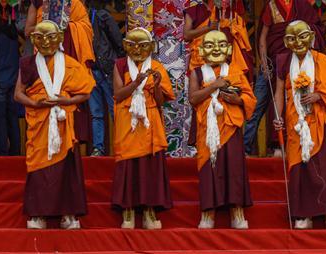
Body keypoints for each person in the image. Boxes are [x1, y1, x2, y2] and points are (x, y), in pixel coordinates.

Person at [15, 20, 94, 230]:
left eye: (51, 37)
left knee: (66, 170)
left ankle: (68, 214)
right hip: (40, 124)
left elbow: (85, 93)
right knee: (39, 169)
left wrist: (66, 102)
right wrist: (35, 103)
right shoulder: (28, 63)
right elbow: (18, 94)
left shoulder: (69, 63)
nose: (46, 42)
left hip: (62, 125)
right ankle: (38, 214)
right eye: (40, 38)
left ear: (59, 38)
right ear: (34, 40)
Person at [272, 20, 326, 230]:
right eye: (292, 38)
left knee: (323, 167)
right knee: (300, 168)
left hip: (318, 120)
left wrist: (318, 96)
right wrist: (277, 116)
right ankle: (303, 215)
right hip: (295, 121)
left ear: (311, 36)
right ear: (286, 42)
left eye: (302, 36)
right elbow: (279, 91)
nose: (298, 42)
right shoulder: (283, 60)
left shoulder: (321, 59)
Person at [189, 29, 255, 230]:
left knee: (234, 168)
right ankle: (208, 213)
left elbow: (250, 98)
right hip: (208, 129)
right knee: (209, 170)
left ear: (228, 49)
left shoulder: (235, 72)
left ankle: (237, 211)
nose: (216, 49)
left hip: (231, 127)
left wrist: (237, 100)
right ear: (201, 50)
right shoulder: (197, 72)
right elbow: (193, 98)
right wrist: (213, 87)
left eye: (221, 45)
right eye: (210, 45)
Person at [112, 28, 175, 230]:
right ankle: (128, 212)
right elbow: (118, 95)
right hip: (128, 121)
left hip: (150, 123)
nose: (137, 49)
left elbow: (160, 102)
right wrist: (136, 83)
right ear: (126, 46)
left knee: (150, 169)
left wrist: (156, 85)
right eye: (133, 45)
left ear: (151, 47)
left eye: (142, 45)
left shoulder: (156, 67)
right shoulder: (120, 65)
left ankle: (150, 212)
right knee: (129, 167)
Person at [243, 0, 324, 156]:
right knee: (256, 105)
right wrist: (264, 63)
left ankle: (291, 145)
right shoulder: (272, 5)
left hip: (296, 65)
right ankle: (245, 148)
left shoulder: (302, 5)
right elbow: (263, 37)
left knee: (294, 103)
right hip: (272, 65)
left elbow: (314, 28)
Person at [25, 0, 95, 146]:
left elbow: (87, 29)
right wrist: (47, 28)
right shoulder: (38, 3)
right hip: (43, 61)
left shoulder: (75, 3)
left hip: (68, 59)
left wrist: (65, 27)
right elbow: (27, 30)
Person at [87, 0, 123, 156]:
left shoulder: (101, 16)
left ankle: (104, 147)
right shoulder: (92, 17)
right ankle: (106, 147)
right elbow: (118, 42)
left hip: (101, 68)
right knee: (105, 111)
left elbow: (117, 41)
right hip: (97, 69)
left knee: (107, 111)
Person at [184, 0, 251, 77]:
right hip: (200, 60)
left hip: (224, 62)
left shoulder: (228, 14)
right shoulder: (194, 11)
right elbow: (186, 35)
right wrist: (208, 28)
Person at [0, 12, 21, 155]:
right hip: (13, 82)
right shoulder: (14, 36)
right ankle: (15, 151)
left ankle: (1, 153)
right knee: (12, 118)